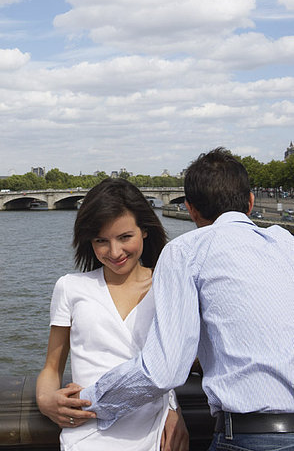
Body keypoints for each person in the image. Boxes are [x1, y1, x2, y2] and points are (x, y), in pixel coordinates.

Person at [73, 149, 294, 451]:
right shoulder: (286, 243)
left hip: (248, 436)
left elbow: (163, 370)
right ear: (251, 201)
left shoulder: (186, 251)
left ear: (190, 209)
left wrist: (89, 400)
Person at [36, 178, 189, 451]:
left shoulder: (168, 286)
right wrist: (46, 399)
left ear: (145, 230)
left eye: (124, 237)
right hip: (85, 435)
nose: (115, 252)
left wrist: (172, 407)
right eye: (101, 241)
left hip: (154, 436)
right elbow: (52, 366)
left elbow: (172, 363)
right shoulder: (70, 287)